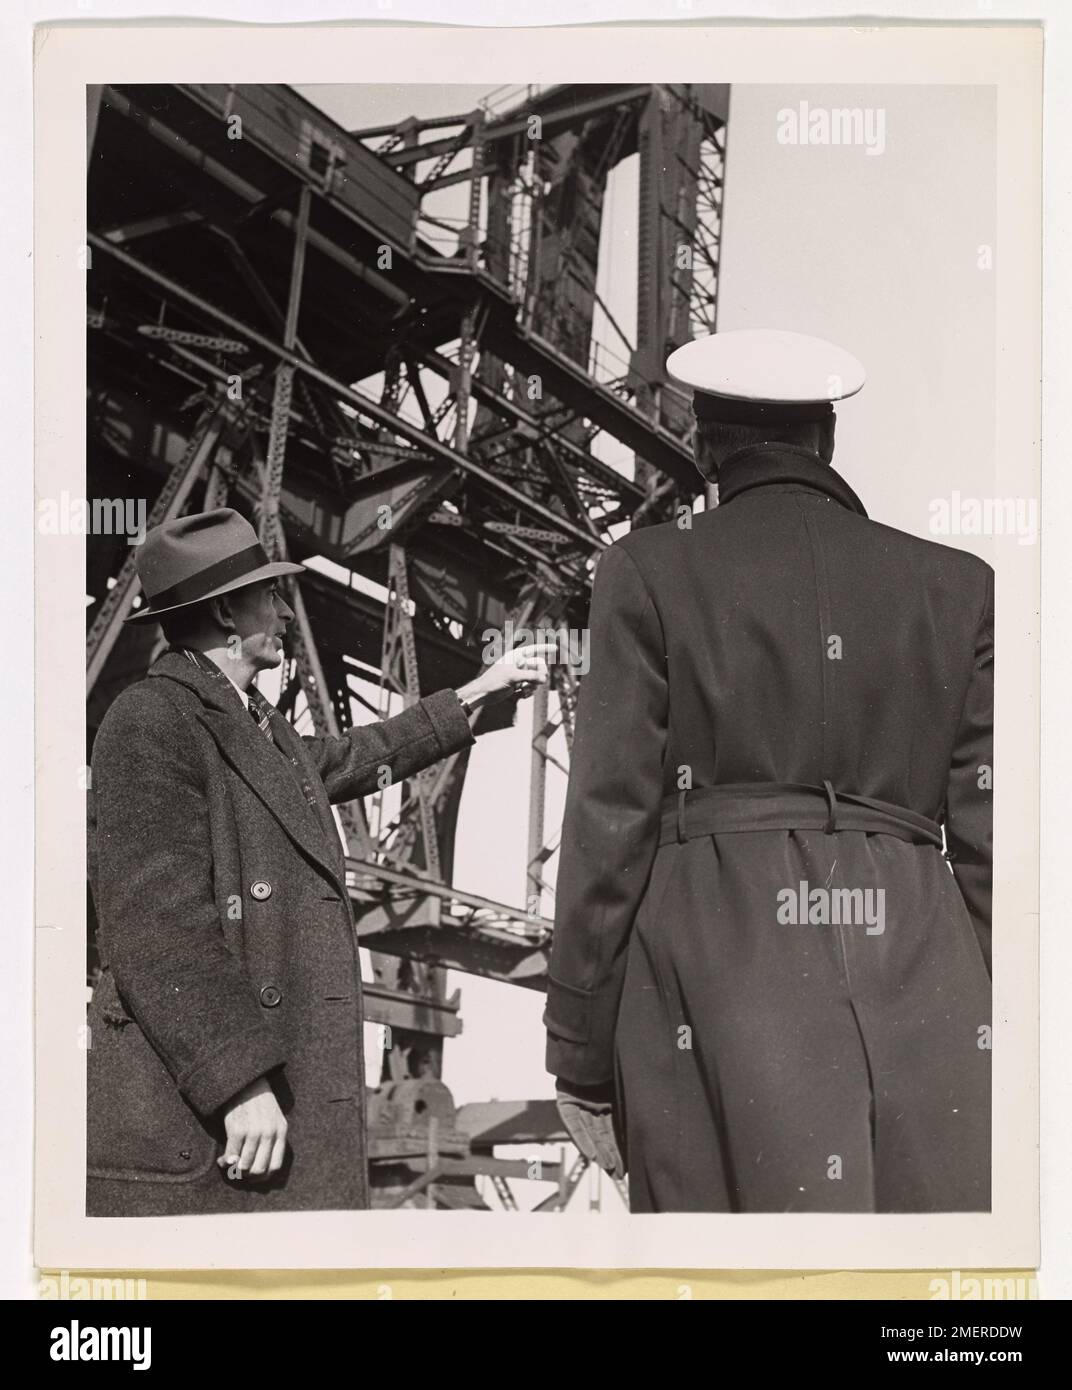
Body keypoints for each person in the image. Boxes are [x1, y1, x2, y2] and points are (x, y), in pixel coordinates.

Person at [545, 329, 993, 1213]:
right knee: (928, 1300)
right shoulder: (957, 585)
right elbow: (992, 836)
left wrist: (581, 1053)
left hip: (713, 975)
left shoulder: (647, 568)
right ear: (828, 440)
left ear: (708, 447)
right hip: (927, 979)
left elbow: (610, 817)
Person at [87, 506, 548, 1215]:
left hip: (264, 1124)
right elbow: (156, 926)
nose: (281, 607)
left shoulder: (260, 727)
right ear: (225, 615)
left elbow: (366, 755)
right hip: (215, 1127)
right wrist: (237, 1080)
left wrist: (479, 694)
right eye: (267, 593)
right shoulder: (150, 719)